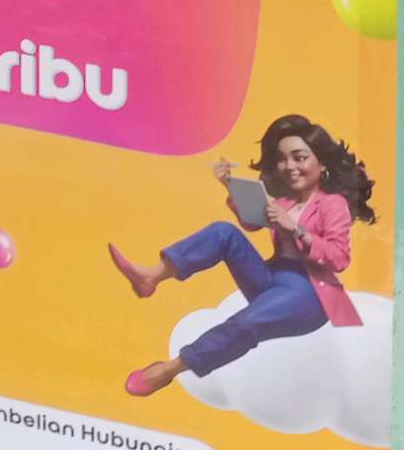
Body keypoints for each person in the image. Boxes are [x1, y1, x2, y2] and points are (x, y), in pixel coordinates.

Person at [108, 113, 376, 398]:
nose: (290, 167)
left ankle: (169, 369)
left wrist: (296, 229)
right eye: (282, 159)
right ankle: (151, 276)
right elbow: (251, 223)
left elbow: (339, 258)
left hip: (309, 294)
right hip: (273, 278)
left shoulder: (332, 204)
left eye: (299, 158)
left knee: (246, 322)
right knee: (224, 232)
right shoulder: (286, 200)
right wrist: (230, 185)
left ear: (321, 163)